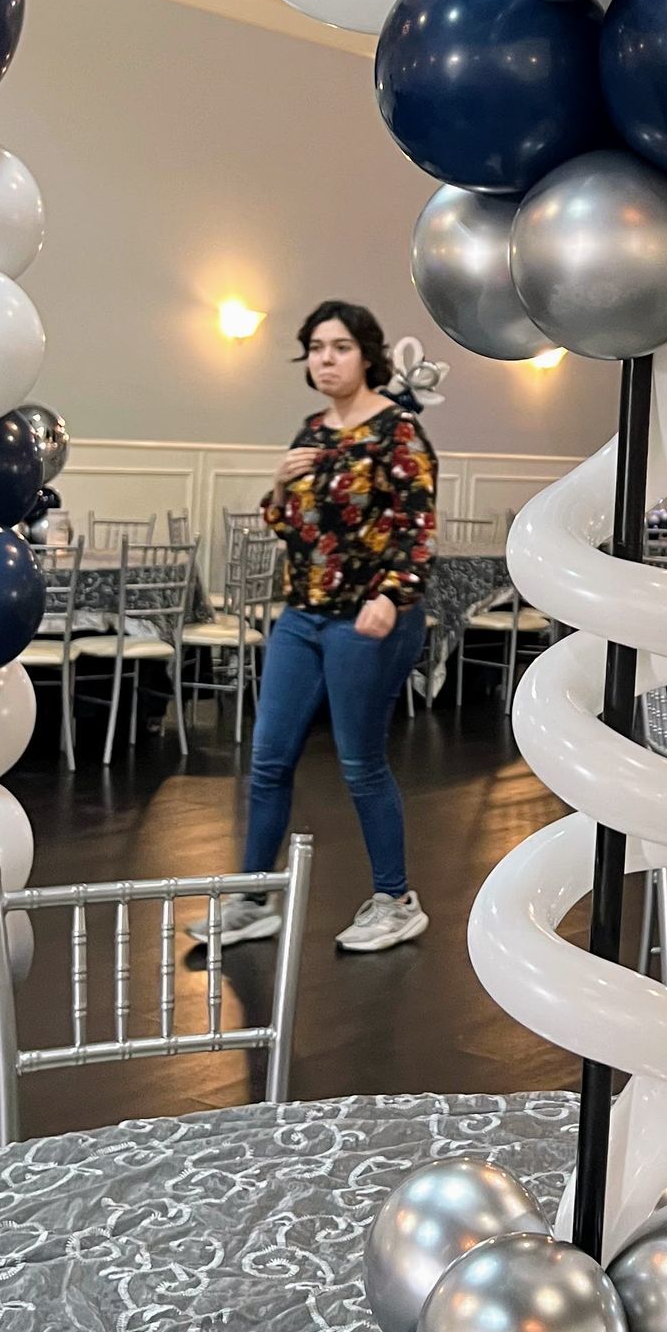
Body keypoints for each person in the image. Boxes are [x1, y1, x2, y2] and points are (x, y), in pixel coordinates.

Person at [198, 300, 436, 955]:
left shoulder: (399, 433)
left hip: (368, 619)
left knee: (360, 764)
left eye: (338, 347)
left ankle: (395, 899)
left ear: (368, 356)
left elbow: (418, 535)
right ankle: (251, 899)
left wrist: (392, 597)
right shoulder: (311, 433)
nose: (324, 359)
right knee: (268, 760)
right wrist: (277, 486)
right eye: (315, 348)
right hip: (301, 617)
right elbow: (290, 528)